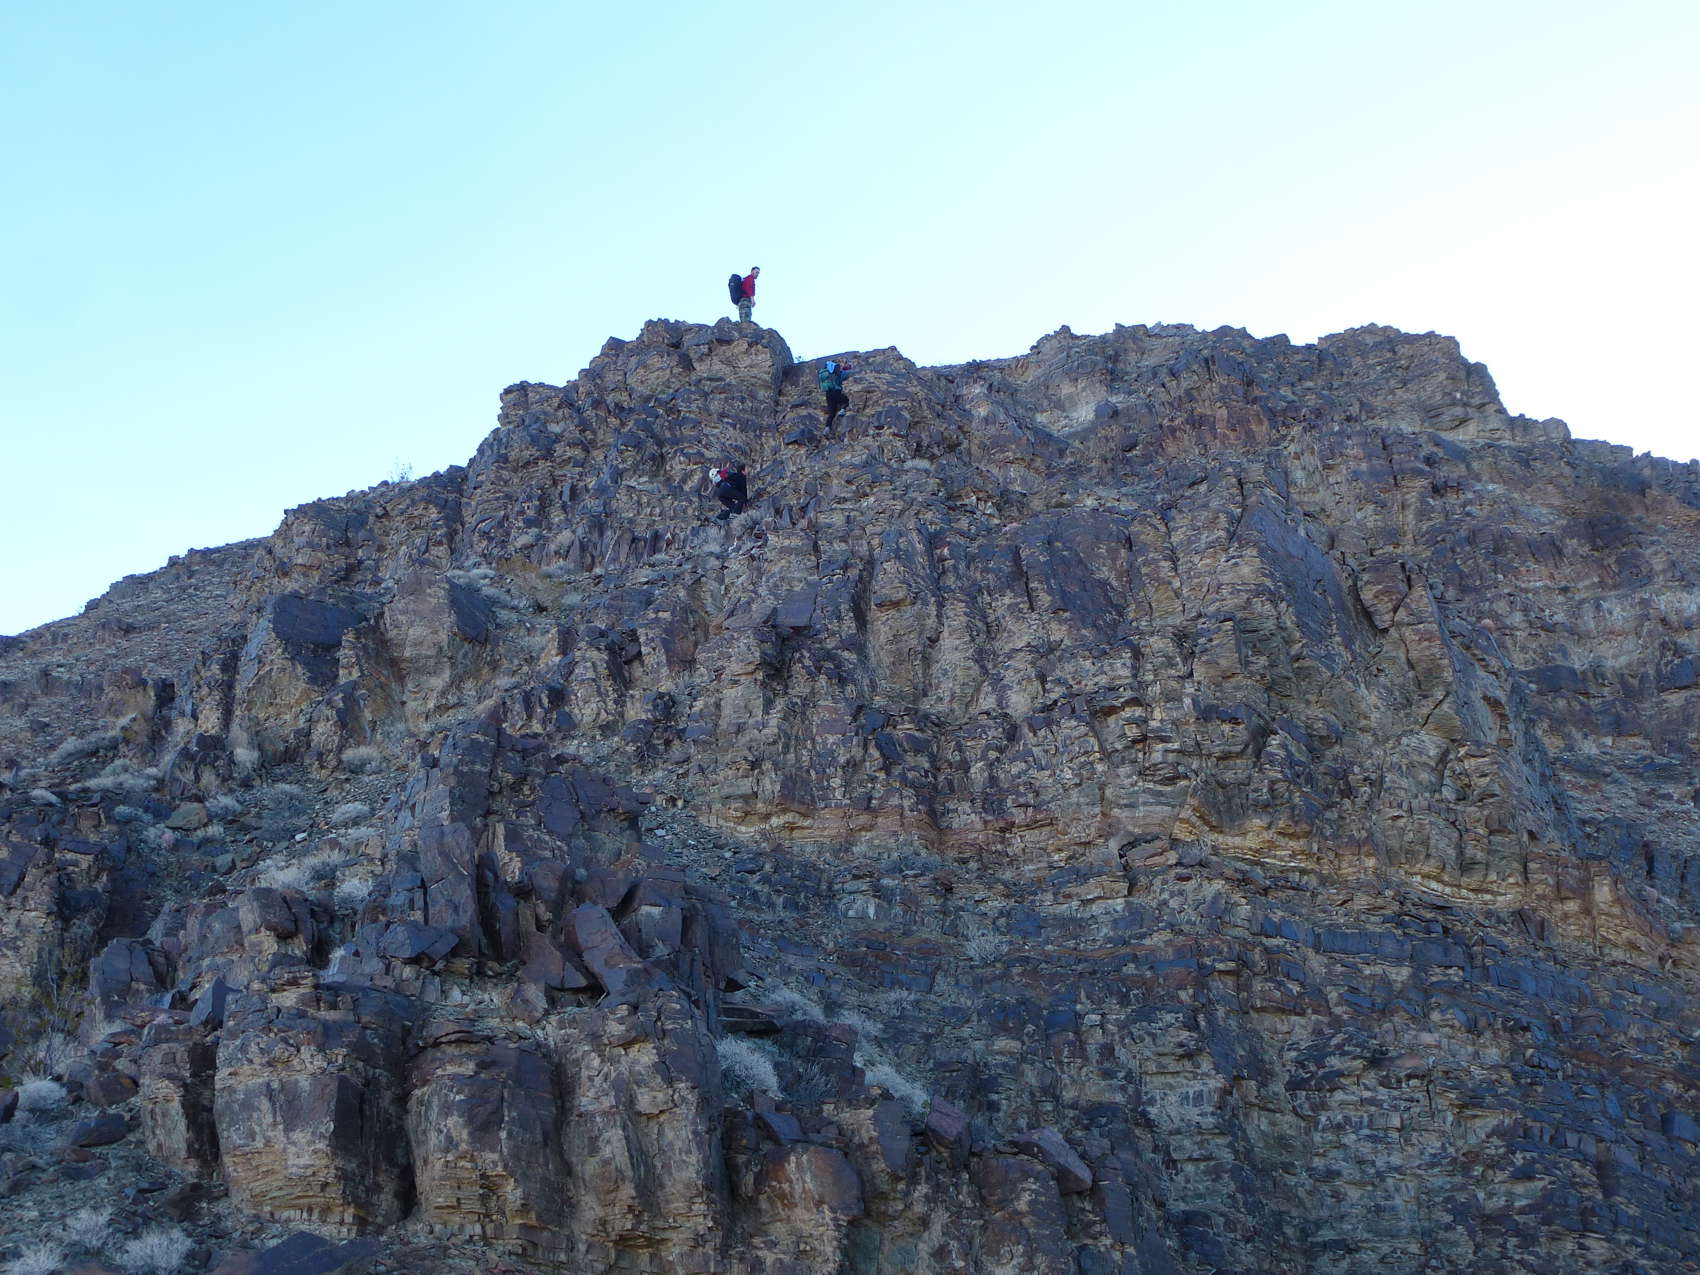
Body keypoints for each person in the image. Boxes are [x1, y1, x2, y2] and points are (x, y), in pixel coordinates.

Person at [820, 359, 851, 429]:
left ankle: (827, 428)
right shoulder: (836, 373)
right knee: (846, 400)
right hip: (835, 391)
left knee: (832, 411)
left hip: (828, 393)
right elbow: (844, 375)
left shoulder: (824, 373)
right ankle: (842, 410)